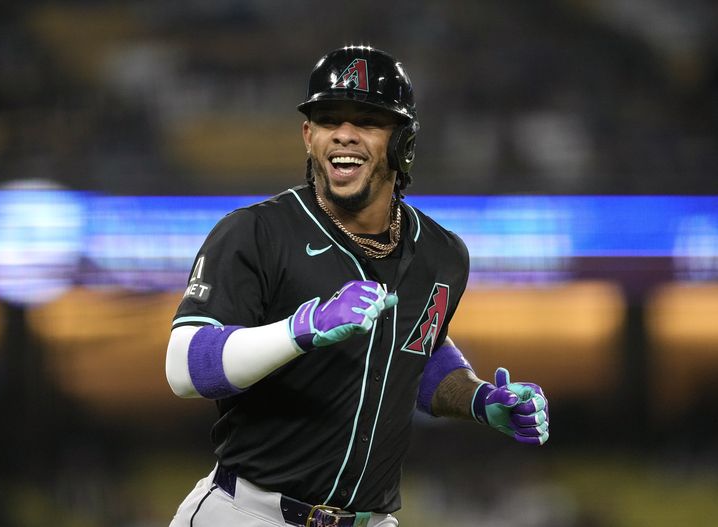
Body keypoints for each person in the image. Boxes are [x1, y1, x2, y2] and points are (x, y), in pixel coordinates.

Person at [165, 45, 549, 527]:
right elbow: (184, 367)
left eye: (367, 120)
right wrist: (299, 330)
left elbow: (415, 349)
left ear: (403, 141)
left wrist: (476, 399)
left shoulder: (442, 254)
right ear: (308, 135)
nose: (344, 134)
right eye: (328, 119)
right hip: (248, 511)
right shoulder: (256, 232)